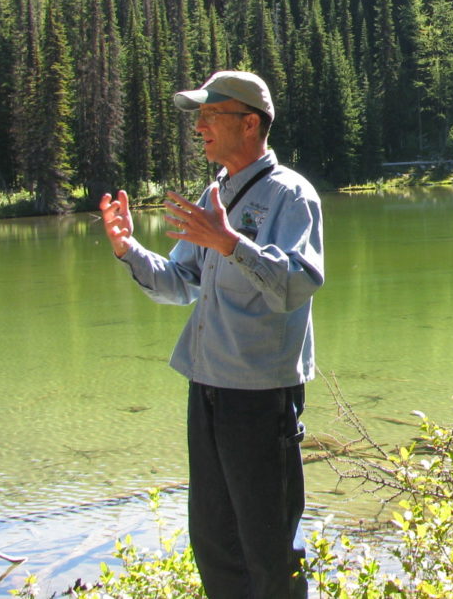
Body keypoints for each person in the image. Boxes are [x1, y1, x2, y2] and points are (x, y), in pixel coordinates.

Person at [99, 70, 324, 599]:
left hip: (261, 396)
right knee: (215, 543)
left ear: (249, 124)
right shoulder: (215, 194)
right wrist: (128, 249)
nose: (198, 125)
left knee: (269, 548)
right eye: (198, 115)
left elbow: (298, 282)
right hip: (207, 390)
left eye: (210, 113)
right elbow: (181, 283)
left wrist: (230, 244)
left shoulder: (292, 195)